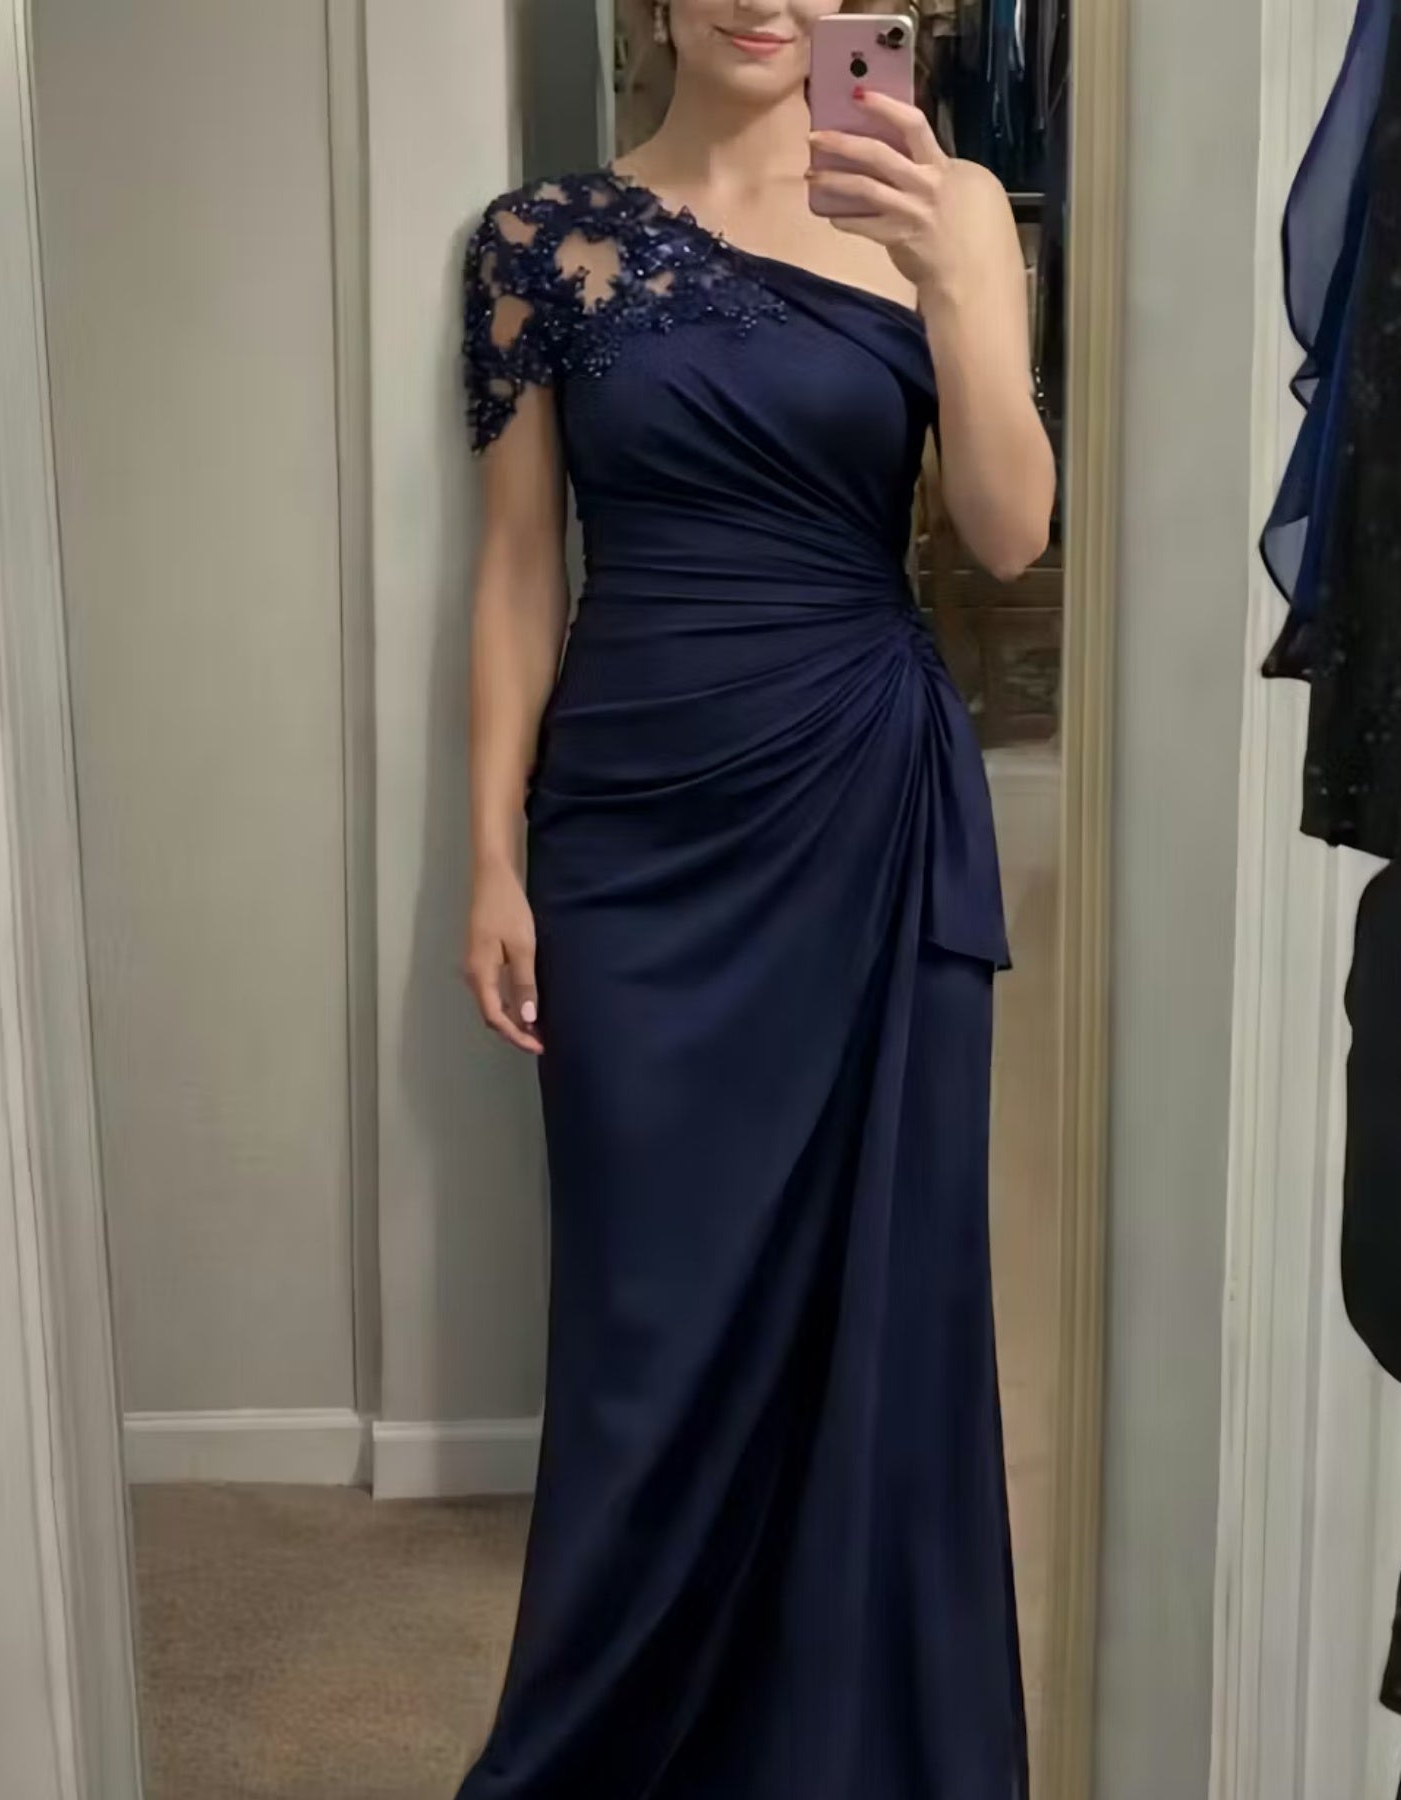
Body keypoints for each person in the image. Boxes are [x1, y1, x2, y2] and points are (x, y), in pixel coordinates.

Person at [453, 4, 1055, 1795]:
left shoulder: (948, 209)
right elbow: (517, 568)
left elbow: (1010, 532)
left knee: (881, 1314)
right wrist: (490, 853)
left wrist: (958, 281)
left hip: (859, 809)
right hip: (629, 833)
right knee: (644, 1331)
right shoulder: (538, 242)